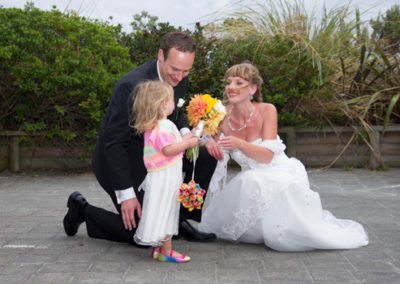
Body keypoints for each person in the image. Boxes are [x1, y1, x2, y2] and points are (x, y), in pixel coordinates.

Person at [63, 32, 217, 247]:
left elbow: (177, 111)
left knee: (207, 154)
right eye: (175, 69)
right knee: (143, 234)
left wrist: (185, 133)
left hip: (161, 155)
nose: (179, 77)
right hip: (125, 161)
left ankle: (178, 220)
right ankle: (83, 210)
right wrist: (126, 194)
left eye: (186, 70)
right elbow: (115, 143)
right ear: (161, 55)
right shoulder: (130, 86)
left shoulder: (180, 76)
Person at [198, 62, 369, 251]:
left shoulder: (267, 110)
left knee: (277, 231)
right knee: (249, 180)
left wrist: (239, 143)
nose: (231, 87)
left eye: (239, 83)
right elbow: (205, 138)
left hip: (278, 172)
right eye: (229, 83)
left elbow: (267, 157)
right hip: (252, 178)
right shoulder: (220, 114)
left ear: (253, 88)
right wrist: (210, 142)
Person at [133, 81, 198, 262]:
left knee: (160, 208)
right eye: (171, 99)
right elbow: (168, 150)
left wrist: (190, 135)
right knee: (167, 209)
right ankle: (166, 251)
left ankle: (158, 248)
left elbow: (172, 143)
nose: (173, 102)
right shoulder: (163, 126)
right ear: (162, 104)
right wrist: (188, 144)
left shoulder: (156, 125)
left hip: (162, 174)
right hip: (166, 176)